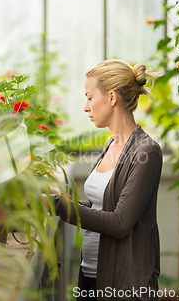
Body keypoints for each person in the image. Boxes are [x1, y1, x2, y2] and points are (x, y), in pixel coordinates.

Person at [50, 59, 163, 301]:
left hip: (123, 286)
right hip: (91, 277)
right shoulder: (111, 143)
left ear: (112, 98)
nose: (85, 107)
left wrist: (61, 206)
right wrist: (59, 199)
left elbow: (120, 222)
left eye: (89, 97)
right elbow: (102, 209)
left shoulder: (146, 152)